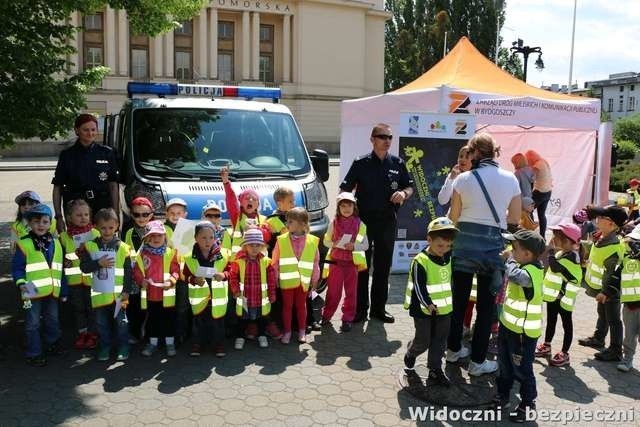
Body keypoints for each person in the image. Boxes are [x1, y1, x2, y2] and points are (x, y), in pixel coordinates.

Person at [446, 132, 521, 377]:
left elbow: (454, 217)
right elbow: (513, 219)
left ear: (475, 152)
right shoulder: (510, 179)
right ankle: (478, 362)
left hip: (464, 244)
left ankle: (453, 350)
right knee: (486, 307)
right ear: (494, 152)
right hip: (493, 249)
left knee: (458, 302)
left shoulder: (463, 179)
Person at [340, 123, 414, 323]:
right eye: (382, 136)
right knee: (362, 266)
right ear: (372, 139)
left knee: (383, 267)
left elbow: (409, 187)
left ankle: (378, 310)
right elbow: (345, 189)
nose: (387, 140)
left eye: (389, 137)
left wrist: (403, 194)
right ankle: (360, 310)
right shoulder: (360, 163)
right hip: (363, 222)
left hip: (387, 221)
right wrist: (344, 214)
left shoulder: (397, 163)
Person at [494, 229, 546, 422]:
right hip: (508, 328)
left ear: (527, 254)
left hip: (523, 335)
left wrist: (509, 260)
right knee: (504, 364)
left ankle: (527, 403)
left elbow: (516, 276)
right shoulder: (522, 264)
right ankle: (503, 394)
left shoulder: (531, 271)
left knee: (522, 370)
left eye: (514, 248)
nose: (510, 250)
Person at [403, 217, 458, 387]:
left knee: (440, 341)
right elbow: (418, 287)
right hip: (423, 310)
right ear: (429, 240)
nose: (444, 249)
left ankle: (435, 370)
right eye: (440, 245)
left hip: (444, 309)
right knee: (424, 340)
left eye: (448, 246)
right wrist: (428, 304)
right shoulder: (420, 261)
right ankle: (412, 352)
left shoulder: (448, 255)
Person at [12, 203, 65, 367]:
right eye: (36, 222)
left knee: (52, 319)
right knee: (32, 322)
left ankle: (52, 344)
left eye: (44, 221)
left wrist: (64, 290)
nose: (40, 225)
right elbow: (17, 267)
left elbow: (59, 269)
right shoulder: (24, 243)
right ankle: (34, 353)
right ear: (29, 223)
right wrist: (20, 283)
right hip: (29, 289)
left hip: (52, 290)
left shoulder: (56, 243)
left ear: (50, 223)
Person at [79, 208, 132, 361]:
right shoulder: (90, 246)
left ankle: (123, 346)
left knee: (121, 322)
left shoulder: (123, 248)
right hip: (100, 294)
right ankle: (105, 347)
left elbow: (128, 272)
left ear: (117, 226)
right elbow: (84, 267)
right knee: (101, 324)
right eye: (103, 227)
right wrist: (97, 263)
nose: (107, 231)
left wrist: (127, 291)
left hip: (118, 295)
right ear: (95, 227)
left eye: (110, 227)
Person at [52, 114, 119, 233]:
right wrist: (58, 217)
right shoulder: (67, 155)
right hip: (77, 211)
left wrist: (115, 212)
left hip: (102, 207)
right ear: (77, 130)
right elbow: (57, 187)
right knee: (78, 248)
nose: (90, 133)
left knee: (103, 246)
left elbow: (113, 185)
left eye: (93, 130)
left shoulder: (107, 153)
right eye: (86, 130)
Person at [578, 205, 627, 362]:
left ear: (612, 224)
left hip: (610, 292)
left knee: (613, 319)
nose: (597, 220)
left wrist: (606, 292)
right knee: (602, 314)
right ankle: (599, 338)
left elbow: (613, 274)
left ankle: (615, 350)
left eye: (602, 218)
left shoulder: (613, 247)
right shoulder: (601, 238)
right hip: (602, 290)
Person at [536, 223, 583, 367]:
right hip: (554, 297)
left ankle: (565, 353)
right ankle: (547, 345)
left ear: (570, 242)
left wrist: (550, 251)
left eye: (559, 237)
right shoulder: (562, 253)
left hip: (564, 299)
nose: (555, 239)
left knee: (566, 325)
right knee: (551, 320)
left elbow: (555, 267)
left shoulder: (573, 257)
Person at [272, 208, 321, 343]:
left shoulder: (312, 241)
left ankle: (302, 331)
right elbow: (275, 261)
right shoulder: (281, 240)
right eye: (287, 221)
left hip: (303, 282)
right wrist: (275, 278)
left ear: (302, 224)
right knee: (287, 307)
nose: (287, 224)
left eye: (291, 221)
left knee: (301, 306)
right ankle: (287, 332)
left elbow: (315, 261)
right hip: (287, 282)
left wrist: (315, 279)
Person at [133, 220, 181, 357]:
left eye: (159, 235)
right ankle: (152, 343)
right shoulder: (142, 255)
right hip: (151, 295)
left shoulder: (171, 253)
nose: (155, 239)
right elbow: (137, 271)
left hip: (167, 295)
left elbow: (175, 270)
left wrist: (171, 281)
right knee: (153, 320)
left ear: (165, 237)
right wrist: (141, 281)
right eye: (152, 236)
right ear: (146, 238)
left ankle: (170, 343)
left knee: (169, 320)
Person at [321, 192, 368, 332]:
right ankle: (326, 316)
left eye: (349, 205)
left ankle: (347, 319)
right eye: (343, 206)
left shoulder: (360, 224)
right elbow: (326, 241)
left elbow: (365, 245)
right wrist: (334, 244)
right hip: (336, 264)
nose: (346, 209)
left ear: (354, 207)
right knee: (333, 293)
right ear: (338, 208)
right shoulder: (333, 223)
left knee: (351, 294)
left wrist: (354, 246)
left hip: (351, 265)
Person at [182, 221, 230, 357]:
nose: (207, 241)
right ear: (196, 238)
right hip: (199, 298)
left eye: (211, 237)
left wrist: (224, 275)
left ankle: (219, 344)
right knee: (198, 322)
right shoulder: (188, 256)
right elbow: (184, 275)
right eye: (203, 237)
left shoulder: (224, 254)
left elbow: (231, 271)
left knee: (218, 322)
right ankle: (197, 344)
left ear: (215, 238)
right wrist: (193, 279)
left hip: (217, 298)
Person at [59, 199, 100, 350]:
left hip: (91, 280)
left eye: (86, 214)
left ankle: (93, 334)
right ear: (69, 218)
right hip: (74, 281)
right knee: (78, 308)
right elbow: (61, 255)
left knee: (92, 308)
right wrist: (64, 261)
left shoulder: (96, 233)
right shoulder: (64, 237)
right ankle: (82, 333)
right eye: (78, 215)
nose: (83, 218)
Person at [228, 228, 277, 350]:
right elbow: (233, 277)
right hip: (244, 297)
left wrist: (272, 294)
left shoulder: (266, 262)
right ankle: (240, 337)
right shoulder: (238, 261)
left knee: (262, 317)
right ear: (245, 246)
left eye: (258, 245)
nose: (254, 248)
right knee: (243, 318)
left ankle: (261, 335)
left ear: (262, 246)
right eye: (251, 245)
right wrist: (235, 290)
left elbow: (271, 280)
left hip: (261, 297)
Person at [122, 196, 155, 343]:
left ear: (151, 214)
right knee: (135, 306)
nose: (141, 218)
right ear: (131, 215)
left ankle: (149, 335)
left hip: (152, 275)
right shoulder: (129, 233)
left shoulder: (157, 230)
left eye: (145, 214)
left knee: (152, 307)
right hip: (136, 277)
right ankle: (135, 333)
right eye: (137, 214)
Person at [221, 166, 271, 258]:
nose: (250, 200)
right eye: (247, 198)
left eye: (254, 199)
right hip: (239, 262)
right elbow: (231, 200)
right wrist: (226, 183)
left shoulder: (263, 219)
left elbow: (268, 237)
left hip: (258, 263)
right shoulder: (237, 216)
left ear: (257, 204)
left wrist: (256, 229)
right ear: (241, 202)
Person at [618, 226, 640, 372]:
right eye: (634, 240)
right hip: (631, 304)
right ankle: (628, 360)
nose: (634, 243)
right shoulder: (627, 254)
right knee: (629, 335)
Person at [524, 150, 553, 239]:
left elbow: (531, 179)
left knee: (527, 211)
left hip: (539, 192)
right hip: (548, 192)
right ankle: (542, 236)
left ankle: (530, 235)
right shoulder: (544, 162)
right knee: (541, 214)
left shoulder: (537, 165)